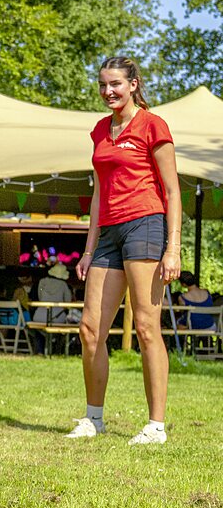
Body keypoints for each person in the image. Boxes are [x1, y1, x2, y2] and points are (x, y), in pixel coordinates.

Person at [69, 56, 181, 445]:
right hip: (108, 234)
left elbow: (172, 190)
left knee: (148, 327)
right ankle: (93, 418)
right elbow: (99, 193)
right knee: (90, 330)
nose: (108, 92)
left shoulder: (153, 125)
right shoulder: (100, 129)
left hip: (146, 225)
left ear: (133, 84)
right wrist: (88, 249)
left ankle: (156, 426)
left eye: (115, 84)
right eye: (102, 85)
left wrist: (173, 247)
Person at [32, 258, 74, 353]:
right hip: (57, 318)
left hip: (39, 316)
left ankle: (39, 351)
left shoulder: (42, 282)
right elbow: (68, 302)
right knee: (61, 329)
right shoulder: (63, 285)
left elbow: (40, 297)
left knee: (40, 330)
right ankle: (57, 351)